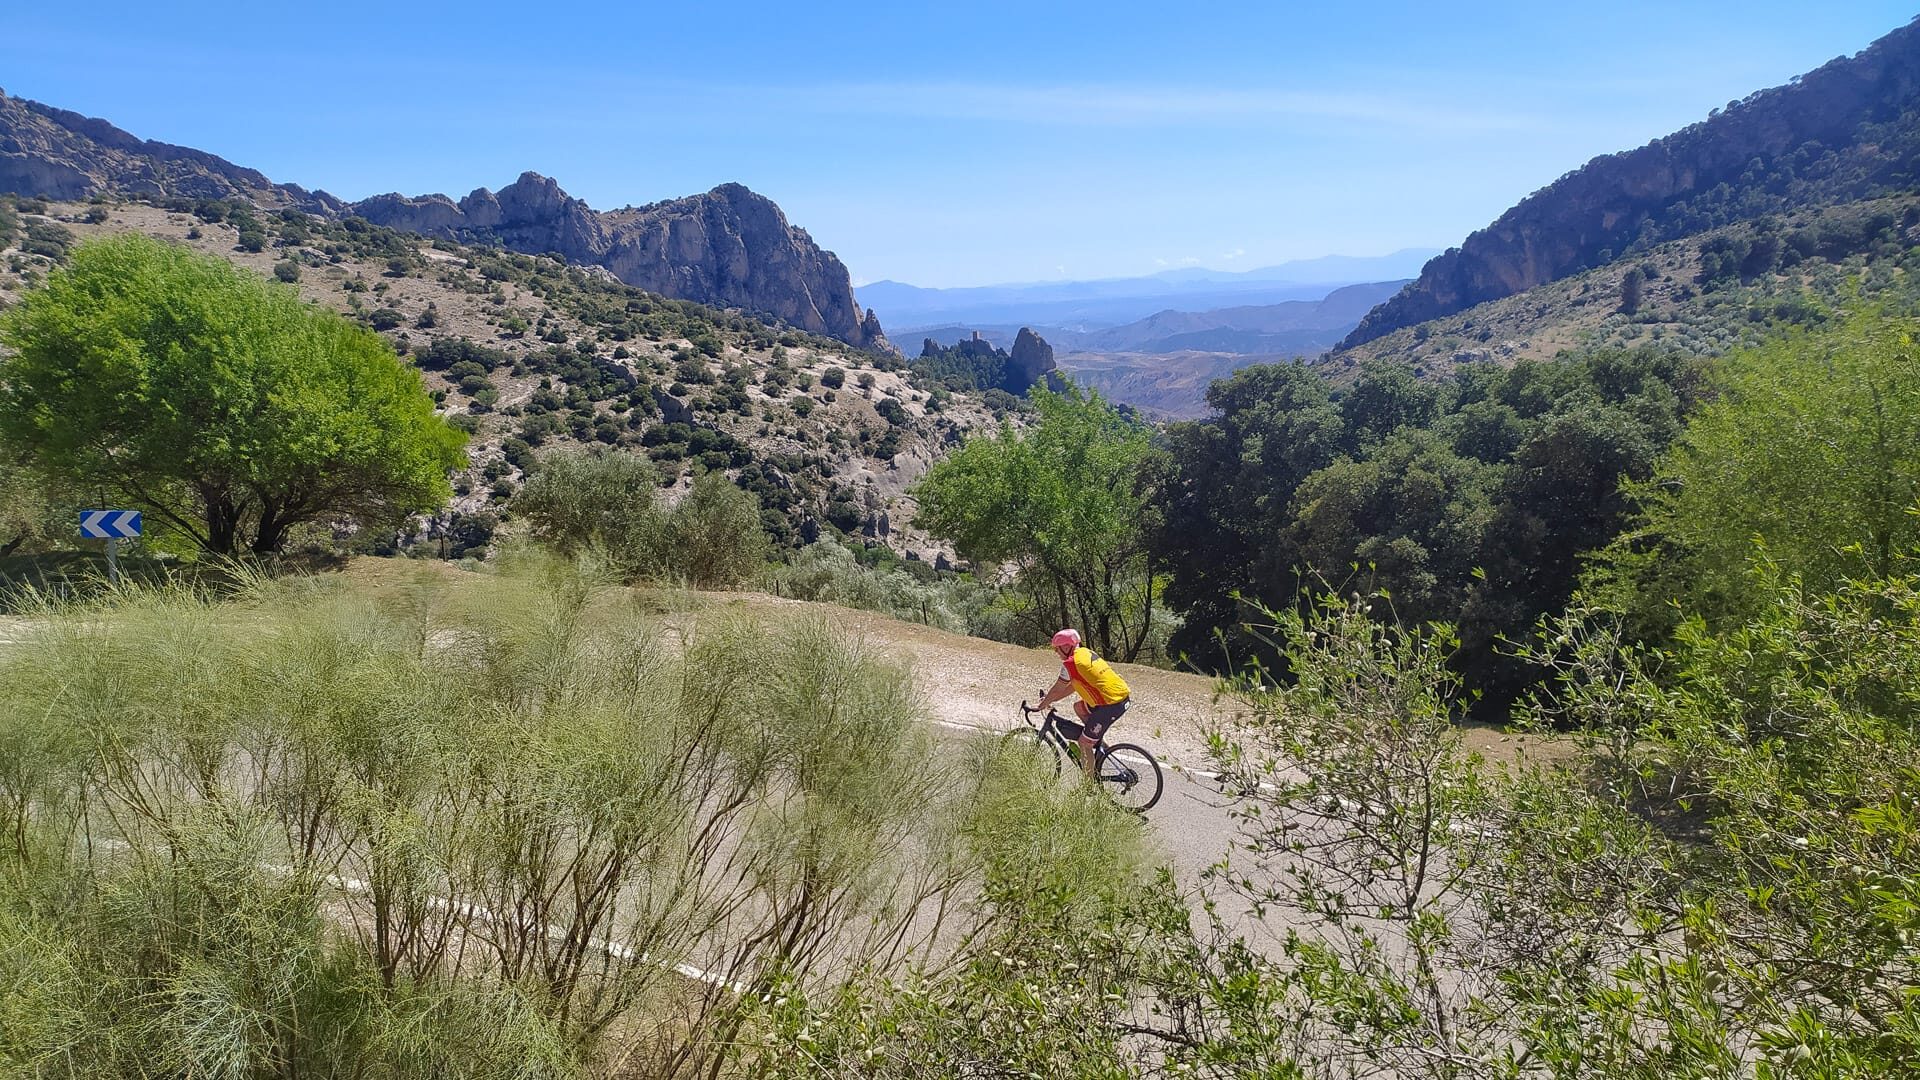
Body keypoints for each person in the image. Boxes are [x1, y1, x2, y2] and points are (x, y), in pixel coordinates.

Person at [1032, 628, 1130, 776]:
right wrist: (1050, 700)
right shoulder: (1085, 652)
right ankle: (1098, 742)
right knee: (1079, 707)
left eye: (1057, 649)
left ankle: (1088, 785)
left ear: (1066, 647)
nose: (1056, 652)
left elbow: (1058, 687)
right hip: (1119, 697)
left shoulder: (1071, 663)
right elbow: (1073, 686)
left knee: (1084, 743)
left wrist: (1041, 705)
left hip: (1110, 704)